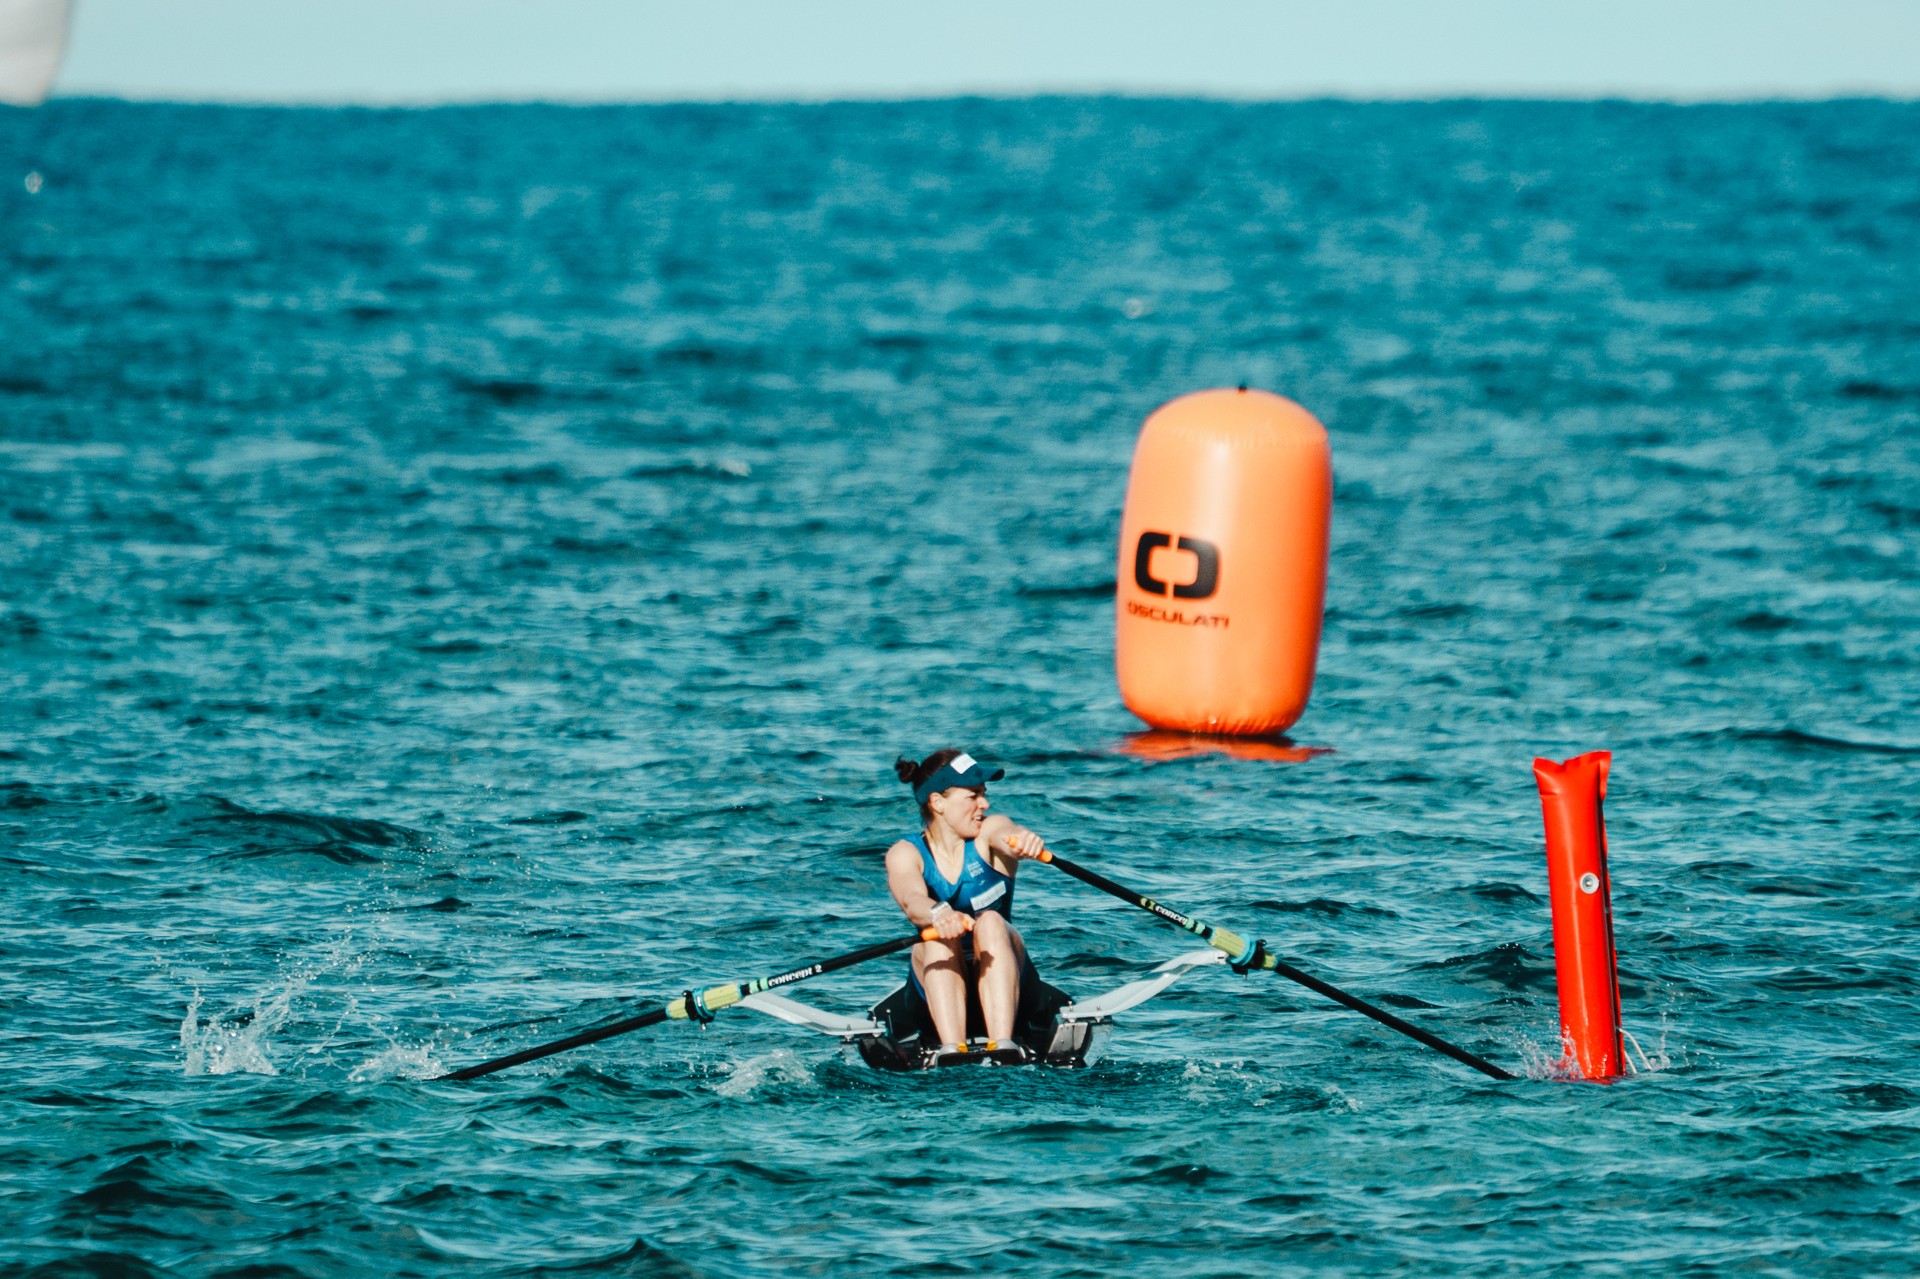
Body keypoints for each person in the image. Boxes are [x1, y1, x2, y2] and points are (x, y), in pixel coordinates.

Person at [886, 749, 1048, 1054]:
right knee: (934, 937)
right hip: (932, 998)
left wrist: (1023, 838)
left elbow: (1006, 833)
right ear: (937, 803)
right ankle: (952, 1050)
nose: (984, 804)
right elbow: (912, 899)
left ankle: (1003, 1045)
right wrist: (938, 913)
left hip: (1013, 991)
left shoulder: (989, 831)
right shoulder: (904, 853)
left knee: (990, 921)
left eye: (984, 794)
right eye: (972, 795)